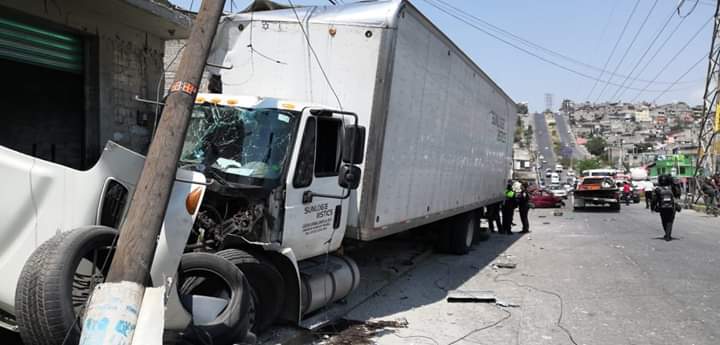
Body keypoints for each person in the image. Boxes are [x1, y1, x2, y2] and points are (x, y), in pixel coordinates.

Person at [652, 174, 681, 241]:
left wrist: (653, 207)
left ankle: (667, 234)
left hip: (662, 208)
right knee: (670, 221)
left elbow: (654, 200)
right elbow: (678, 195)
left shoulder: (658, 189)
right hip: (672, 208)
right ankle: (668, 235)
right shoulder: (672, 187)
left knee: (664, 221)